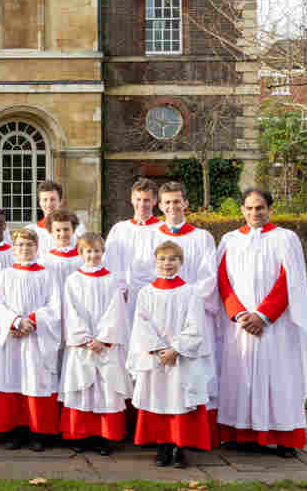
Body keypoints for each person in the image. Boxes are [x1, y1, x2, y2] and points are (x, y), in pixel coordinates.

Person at [215, 189, 307, 458]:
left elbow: (289, 281)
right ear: (242, 210)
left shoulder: (285, 239)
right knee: (241, 378)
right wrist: (238, 314)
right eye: (249, 208)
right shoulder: (230, 240)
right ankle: (243, 434)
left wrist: (263, 315)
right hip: (239, 326)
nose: (254, 213)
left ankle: (284, 437)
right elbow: (222, 280)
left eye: (259, 208)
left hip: (276, 325)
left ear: (270, 208)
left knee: (278, 378)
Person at [137, 182, 221, 428]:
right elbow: (141, 274)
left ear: (185, 203)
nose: (172, 207)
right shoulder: (150, 235)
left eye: (177, 201)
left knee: (189, 377)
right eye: (167, 202)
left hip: (191, 315)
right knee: (160, 381)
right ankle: (160, 434)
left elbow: (209, 277)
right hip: (158, 317)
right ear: (159, 205)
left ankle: (188, 433)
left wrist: (186, 298)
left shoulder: (202, 237)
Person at [127, 241, 216, 469]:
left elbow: (196, 326)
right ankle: (162, 446)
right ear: (155, 262)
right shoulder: (146, 292)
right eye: (163, 259)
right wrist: (158, 349)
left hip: (181, 357)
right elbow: (141, 324)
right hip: (155, 357)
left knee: (179, 401)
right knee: (157, 399)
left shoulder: (190, 292)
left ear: (181, 262)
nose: (167, 264)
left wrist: (176, 349)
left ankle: (180, 447)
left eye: (173, 259)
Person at [58, 232, 132, 456]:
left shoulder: (112, 280)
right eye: (88, 251)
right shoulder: (72, 280)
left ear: (103, 252)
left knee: (106, 389)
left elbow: (116, 311)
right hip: (82, 345)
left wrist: (103, 338)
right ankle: (80, 435)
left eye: (97, 251)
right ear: (80, 253)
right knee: (82, 386)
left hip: (104, 344)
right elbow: (70, 311)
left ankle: (104, 437)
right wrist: (84, 338)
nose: (93, 255)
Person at [0, 228, 63, 452]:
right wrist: (14, 322)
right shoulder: (6, 274)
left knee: (36, 382)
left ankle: (38, 432)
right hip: (13, 338)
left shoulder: (47, 274)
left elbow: (54, 307)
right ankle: (13, 432)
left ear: (37, 247)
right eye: (20, 245)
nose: (25, 249)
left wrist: (31, 321)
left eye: (29, 245)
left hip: (36, 338)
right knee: (13, 382)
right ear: (14, 249)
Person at [104, 178, 161, 300]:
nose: (141, 204)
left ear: (155, 201)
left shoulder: (162, 230)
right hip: (125, 294)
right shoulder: (119, 229)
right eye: (138, 199)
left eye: (146, 200)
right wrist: (119, 287)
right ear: (131, 199)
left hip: (154, 293)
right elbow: (110, 261)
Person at [27, 181, 86, 253]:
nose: (48, 204)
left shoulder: (77, 227)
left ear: (60, 201)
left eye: (53, 199)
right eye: (45, 200)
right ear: (39, 202)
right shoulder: (31, 230)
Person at [39, 210, 84, 282]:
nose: (62, 234)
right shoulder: (45, 262)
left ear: (73, 230)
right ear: (51, 232)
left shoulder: (83, 260)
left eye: (66, 229)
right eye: (58, 230)